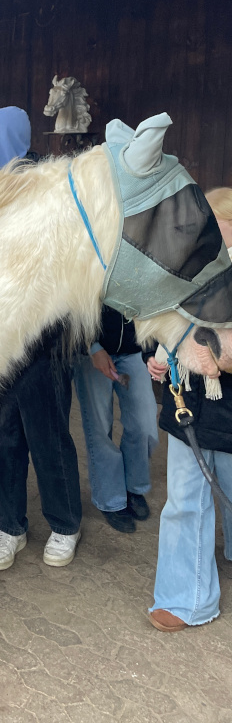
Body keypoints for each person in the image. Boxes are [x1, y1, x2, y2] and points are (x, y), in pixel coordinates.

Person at [0, 107, 83, 569]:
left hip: (42, 342)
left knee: (48, 433)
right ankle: (10, 525)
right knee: (2, 434)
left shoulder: (49, 191)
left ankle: (64, 523)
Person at [148, 186, 232, 632]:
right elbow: (169, 328)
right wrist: (167, 355)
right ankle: (188, 599)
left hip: (227, 405)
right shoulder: (190, 275)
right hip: (189, 405)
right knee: (185, 501)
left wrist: (205, 350)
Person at [74, 306, 158, 532]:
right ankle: (110, 499)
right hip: (93, 353)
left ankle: (133, 486)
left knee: (145, 424)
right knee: (99, 428)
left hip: (134, 350)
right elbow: (73, 300)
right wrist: (91, 346)